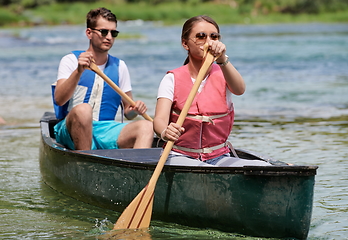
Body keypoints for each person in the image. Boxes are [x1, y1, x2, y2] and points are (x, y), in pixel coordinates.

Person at [153, 15, 271, 167]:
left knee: (264, 167)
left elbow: (240, 89)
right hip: (179, 155)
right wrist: (164, 132)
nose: (208, 41)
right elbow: (159, 120)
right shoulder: (171, 79)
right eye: (201, 36)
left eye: (214, 37)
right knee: (204, 169)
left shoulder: (225, 72)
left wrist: (222, 59)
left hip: (219, 156)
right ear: (185, 43)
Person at [52, 7, 153, 150]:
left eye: (114, 33)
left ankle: (137, 171)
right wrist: (78, 71)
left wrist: (135, 109)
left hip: (106, 130)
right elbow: (59, 99)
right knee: (83, 110)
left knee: (146, 126)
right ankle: (85, 162)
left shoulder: (120, 66)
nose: (109, 37)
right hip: (70, 129)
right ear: (89, 33)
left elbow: (128, 113)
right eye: (104, 32)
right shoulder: (70, 61)